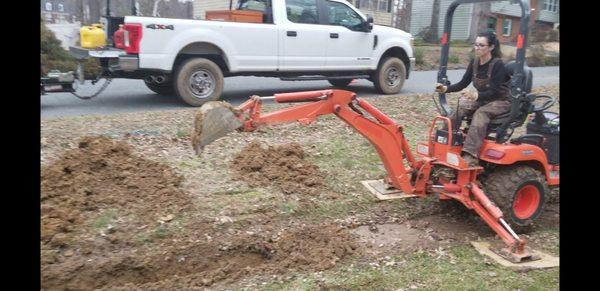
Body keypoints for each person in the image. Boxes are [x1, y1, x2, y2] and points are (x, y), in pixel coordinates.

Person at [435, 31, 511, 167]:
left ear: (491, 47)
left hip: (501, 101)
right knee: (461, 106)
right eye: (476, 45)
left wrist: (476, 95)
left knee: (481, 113)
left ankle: (470, 155)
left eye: (481, 45)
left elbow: (494, 91)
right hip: (483, 99)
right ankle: (445, 140)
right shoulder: (475, 63)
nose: (477, 48)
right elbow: (463, 83)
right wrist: (446, 89)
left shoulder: (497, 65)